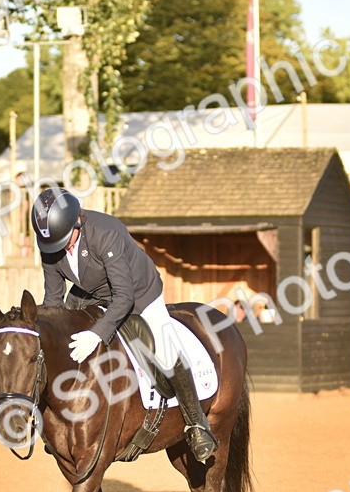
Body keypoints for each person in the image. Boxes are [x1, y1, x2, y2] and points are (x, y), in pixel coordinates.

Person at [31, 187, 218, 462]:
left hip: (139, 293)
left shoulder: (106, 232)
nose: (62, 249)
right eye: (54, 245)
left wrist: (96, 334)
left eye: (65, 240)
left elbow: (124, 296)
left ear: (78, 222)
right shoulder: (52, 241)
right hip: (91, 293)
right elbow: (53, 298)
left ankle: (197, 423)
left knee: (164, 349)